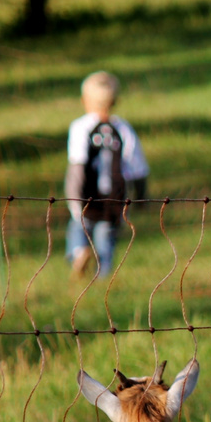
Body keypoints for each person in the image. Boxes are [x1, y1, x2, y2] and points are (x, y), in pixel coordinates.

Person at [65, 71, 148, 279]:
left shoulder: (81, 127)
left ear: (84, 100)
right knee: (106, 239)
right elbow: (138, 166)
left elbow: (77, 165)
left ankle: (78, 252)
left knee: (78, 228)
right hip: (114, 199)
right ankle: (103, 280)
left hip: (86, 197)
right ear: (115, 101)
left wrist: (74, 200)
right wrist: (140, 196)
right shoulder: (123, 128)